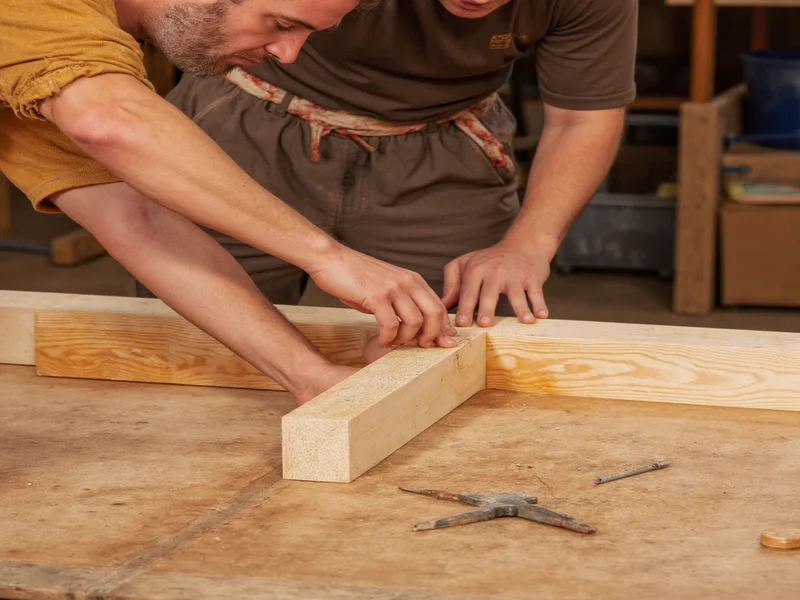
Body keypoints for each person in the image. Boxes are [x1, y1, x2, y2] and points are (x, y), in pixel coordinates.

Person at [0, 0, 458, 407]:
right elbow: (110, 121)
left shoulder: (63, 58)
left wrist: (311, 376)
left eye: (305, 35)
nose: (288, 54)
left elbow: (138, 218)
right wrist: (327, 256)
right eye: (281, 23)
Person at [160, 0, 638, 329]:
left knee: (456, 342)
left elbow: (582, 119)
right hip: (251, 118)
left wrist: (529, 244)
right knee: (189, 339)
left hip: (441, 150)